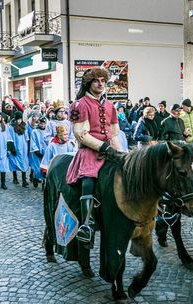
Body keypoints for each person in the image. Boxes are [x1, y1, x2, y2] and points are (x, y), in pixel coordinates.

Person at [66, 68, 124, 249]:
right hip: (89, 152)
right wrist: (103, 147)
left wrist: (120, 153)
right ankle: (87, 224)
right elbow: (80, 134)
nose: (100, 84)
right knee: (88, 180)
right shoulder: (79, 104)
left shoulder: (110, 106)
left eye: (103, 81)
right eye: (96, 80)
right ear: (88, 83)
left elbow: (114, 133)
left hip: (109, 150)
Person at [8, 111, 30, 187]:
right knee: (14, 162)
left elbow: (27, 137)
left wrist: (28, 147)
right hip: (16, 146)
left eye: (20, 119)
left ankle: (24, 180)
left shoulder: (24, 126)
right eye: (18, 119)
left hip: (23, 147)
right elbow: (9, 138)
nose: (19, 121)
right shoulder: (11, 127)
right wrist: (12, 148)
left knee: (23, 162)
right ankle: (15, 178)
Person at [29, 116, 47, 188]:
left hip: (45, 153)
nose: (42, 125)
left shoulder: (47, 132)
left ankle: (44, 182)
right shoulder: (34, 132)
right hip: (37, 153)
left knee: (45, 168)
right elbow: (33, 143)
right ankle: (35, 177)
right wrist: (37, 152)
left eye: (44, 124)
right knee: (37, 168)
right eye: (41, 123)